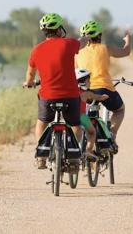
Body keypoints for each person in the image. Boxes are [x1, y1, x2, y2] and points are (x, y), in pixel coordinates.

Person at [23, 13, 90, 169]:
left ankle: (41, 156)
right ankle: (74, 156)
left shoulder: (36, 50)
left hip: (48, 97)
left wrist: (29, 83)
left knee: (42, 122)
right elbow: (82, 43)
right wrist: (86, 37)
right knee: (75, 125)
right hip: (71, 96)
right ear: (59, 29)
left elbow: (30, 75)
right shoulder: (68, 44)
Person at [75, 20, 130, 153]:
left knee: (82, 115)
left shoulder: (77, 53)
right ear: (99, 35)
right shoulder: (105, 48)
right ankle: (112, 134)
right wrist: (128, 39)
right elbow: (125, 52)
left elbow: (76, 72)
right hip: (103, 88)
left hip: (84, 90)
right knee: (119, 110)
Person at [75, 68, 109, 160]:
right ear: (83, 82)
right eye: (88, 80)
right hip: (81, 116)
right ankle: (89, 151)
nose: (89, 82)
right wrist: (103, 97)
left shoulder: (70, 91)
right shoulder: (86, 93)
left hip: (68, 116)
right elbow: (97, 97)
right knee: (92, 132)